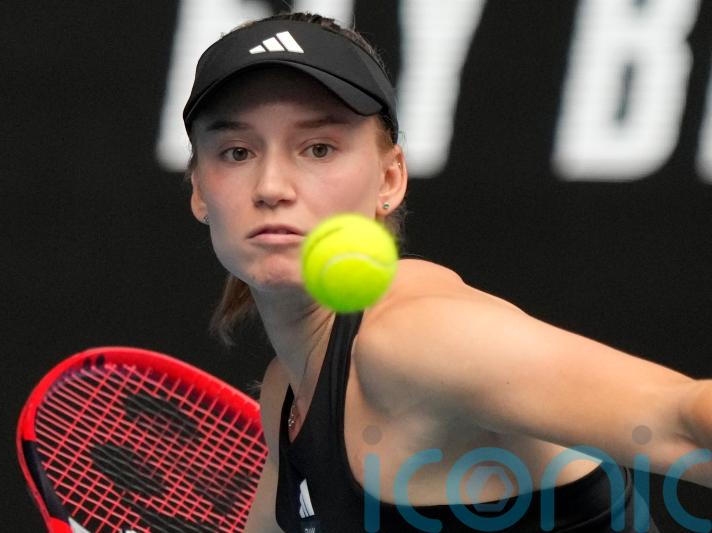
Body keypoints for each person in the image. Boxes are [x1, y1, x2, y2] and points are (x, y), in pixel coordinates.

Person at [181, 12, 711, 533]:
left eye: (319, 148)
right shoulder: (286, 395)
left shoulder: (413, 340)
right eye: (237, 152)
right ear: (200, 190)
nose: (272, 186)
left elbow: (684, 420)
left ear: (390, 179)